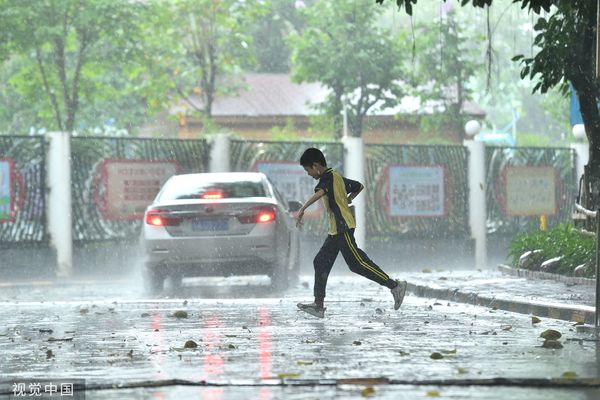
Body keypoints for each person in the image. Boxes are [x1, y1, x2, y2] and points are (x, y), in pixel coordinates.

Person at [295, 148, 407, 318]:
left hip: (343, 227)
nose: (309, 174)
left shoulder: (328, 177)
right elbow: (358, 186)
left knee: (357, 263)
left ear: (316, 166)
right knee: (320, 262)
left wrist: (302, 208)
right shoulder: (337, 177)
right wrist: (348, 199)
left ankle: (395, 286)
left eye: (308, 170)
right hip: (335, 229)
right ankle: (318, 305)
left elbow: (321, 192)